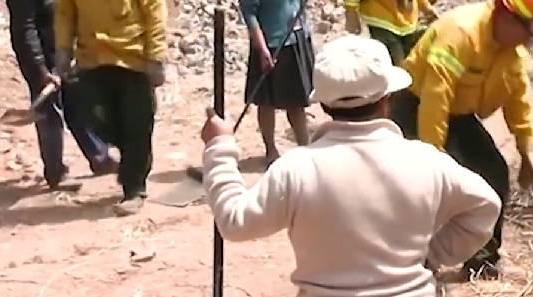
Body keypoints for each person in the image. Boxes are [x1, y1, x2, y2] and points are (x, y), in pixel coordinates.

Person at [201, 34, 502, 297]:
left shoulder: (297, 169)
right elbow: (486, 206)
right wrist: (431, 255)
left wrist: (220, 148)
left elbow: (235, 220)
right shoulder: (427, 161)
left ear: (322, 104)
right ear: (388, 98)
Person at [390, 0, 533, 278]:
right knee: (415, 185)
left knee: (493, 173)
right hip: (415, 107)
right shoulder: (460, 33)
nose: (530, 42)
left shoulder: (512, 51)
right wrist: (432, 157)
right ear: (507, 18)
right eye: (529, 32)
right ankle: (407, 264)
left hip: (458, 116)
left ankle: (483, 260)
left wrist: (527, 152)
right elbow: (435, 99)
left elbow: (519, 101)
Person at [55, 0, 168, 216]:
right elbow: (64, 12)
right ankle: (125, 156)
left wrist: (156, 57)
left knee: (138, 124)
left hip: (132, 60)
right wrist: (63, 51)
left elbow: (154, 12)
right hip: (92, 60)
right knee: (92, 116)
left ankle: (134, 188)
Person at [4, 0, 116, 190]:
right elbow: (25, 31)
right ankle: (55, 173)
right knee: (49, 114)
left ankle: (99, 158)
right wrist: (41, 70)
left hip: (64, 52)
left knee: (78, 105)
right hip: (40, 58)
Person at [234, 0, 317, 167]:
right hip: (271, 42)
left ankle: (306, 148)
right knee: (267, 100)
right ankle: (270, 149)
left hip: (296, 39)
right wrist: (261, 49)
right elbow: (249, 13)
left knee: (297, 100)